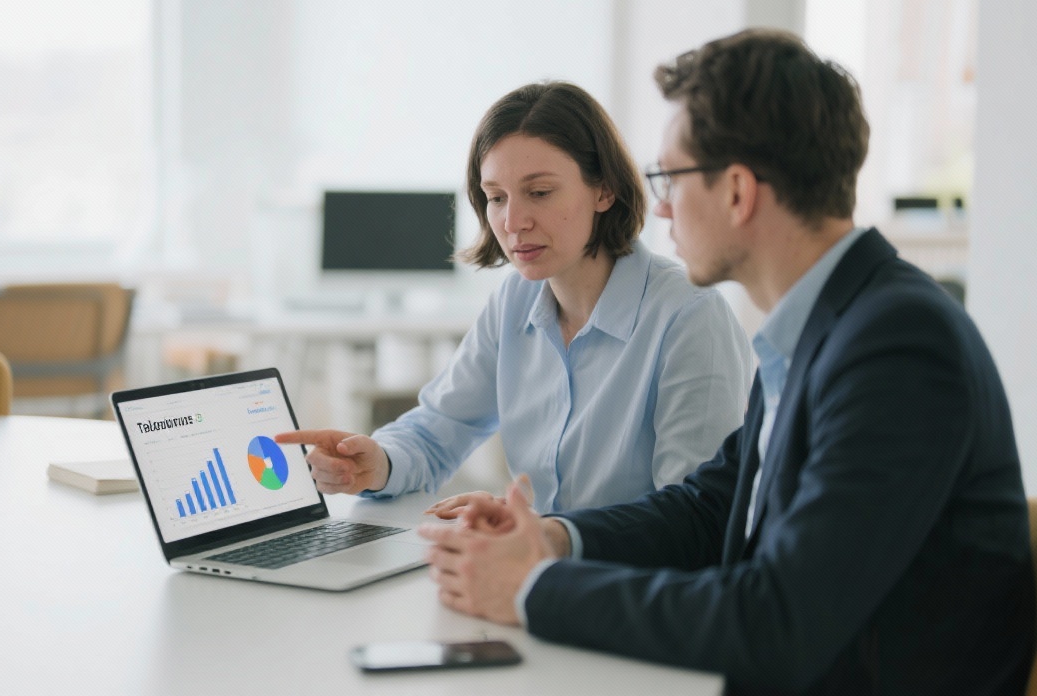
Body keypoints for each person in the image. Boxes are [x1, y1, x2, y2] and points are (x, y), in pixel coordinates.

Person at [419, 29, 1036, 695]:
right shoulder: (827, 324)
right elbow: (710, 509)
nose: (657, 206)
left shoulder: (898, 346)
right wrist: (550, 539)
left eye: (670, 179)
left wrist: (534, 590)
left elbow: (779, 623)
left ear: (737, 192)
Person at [276, 81, 751, 514]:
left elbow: (695, 518)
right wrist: (376, 462)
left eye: (539, 192)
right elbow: (441, 427)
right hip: (530, 575)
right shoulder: (516, 302)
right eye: (496, 197)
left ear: (604, 190)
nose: (512, 221)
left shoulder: (689, 315)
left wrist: (542, 533)